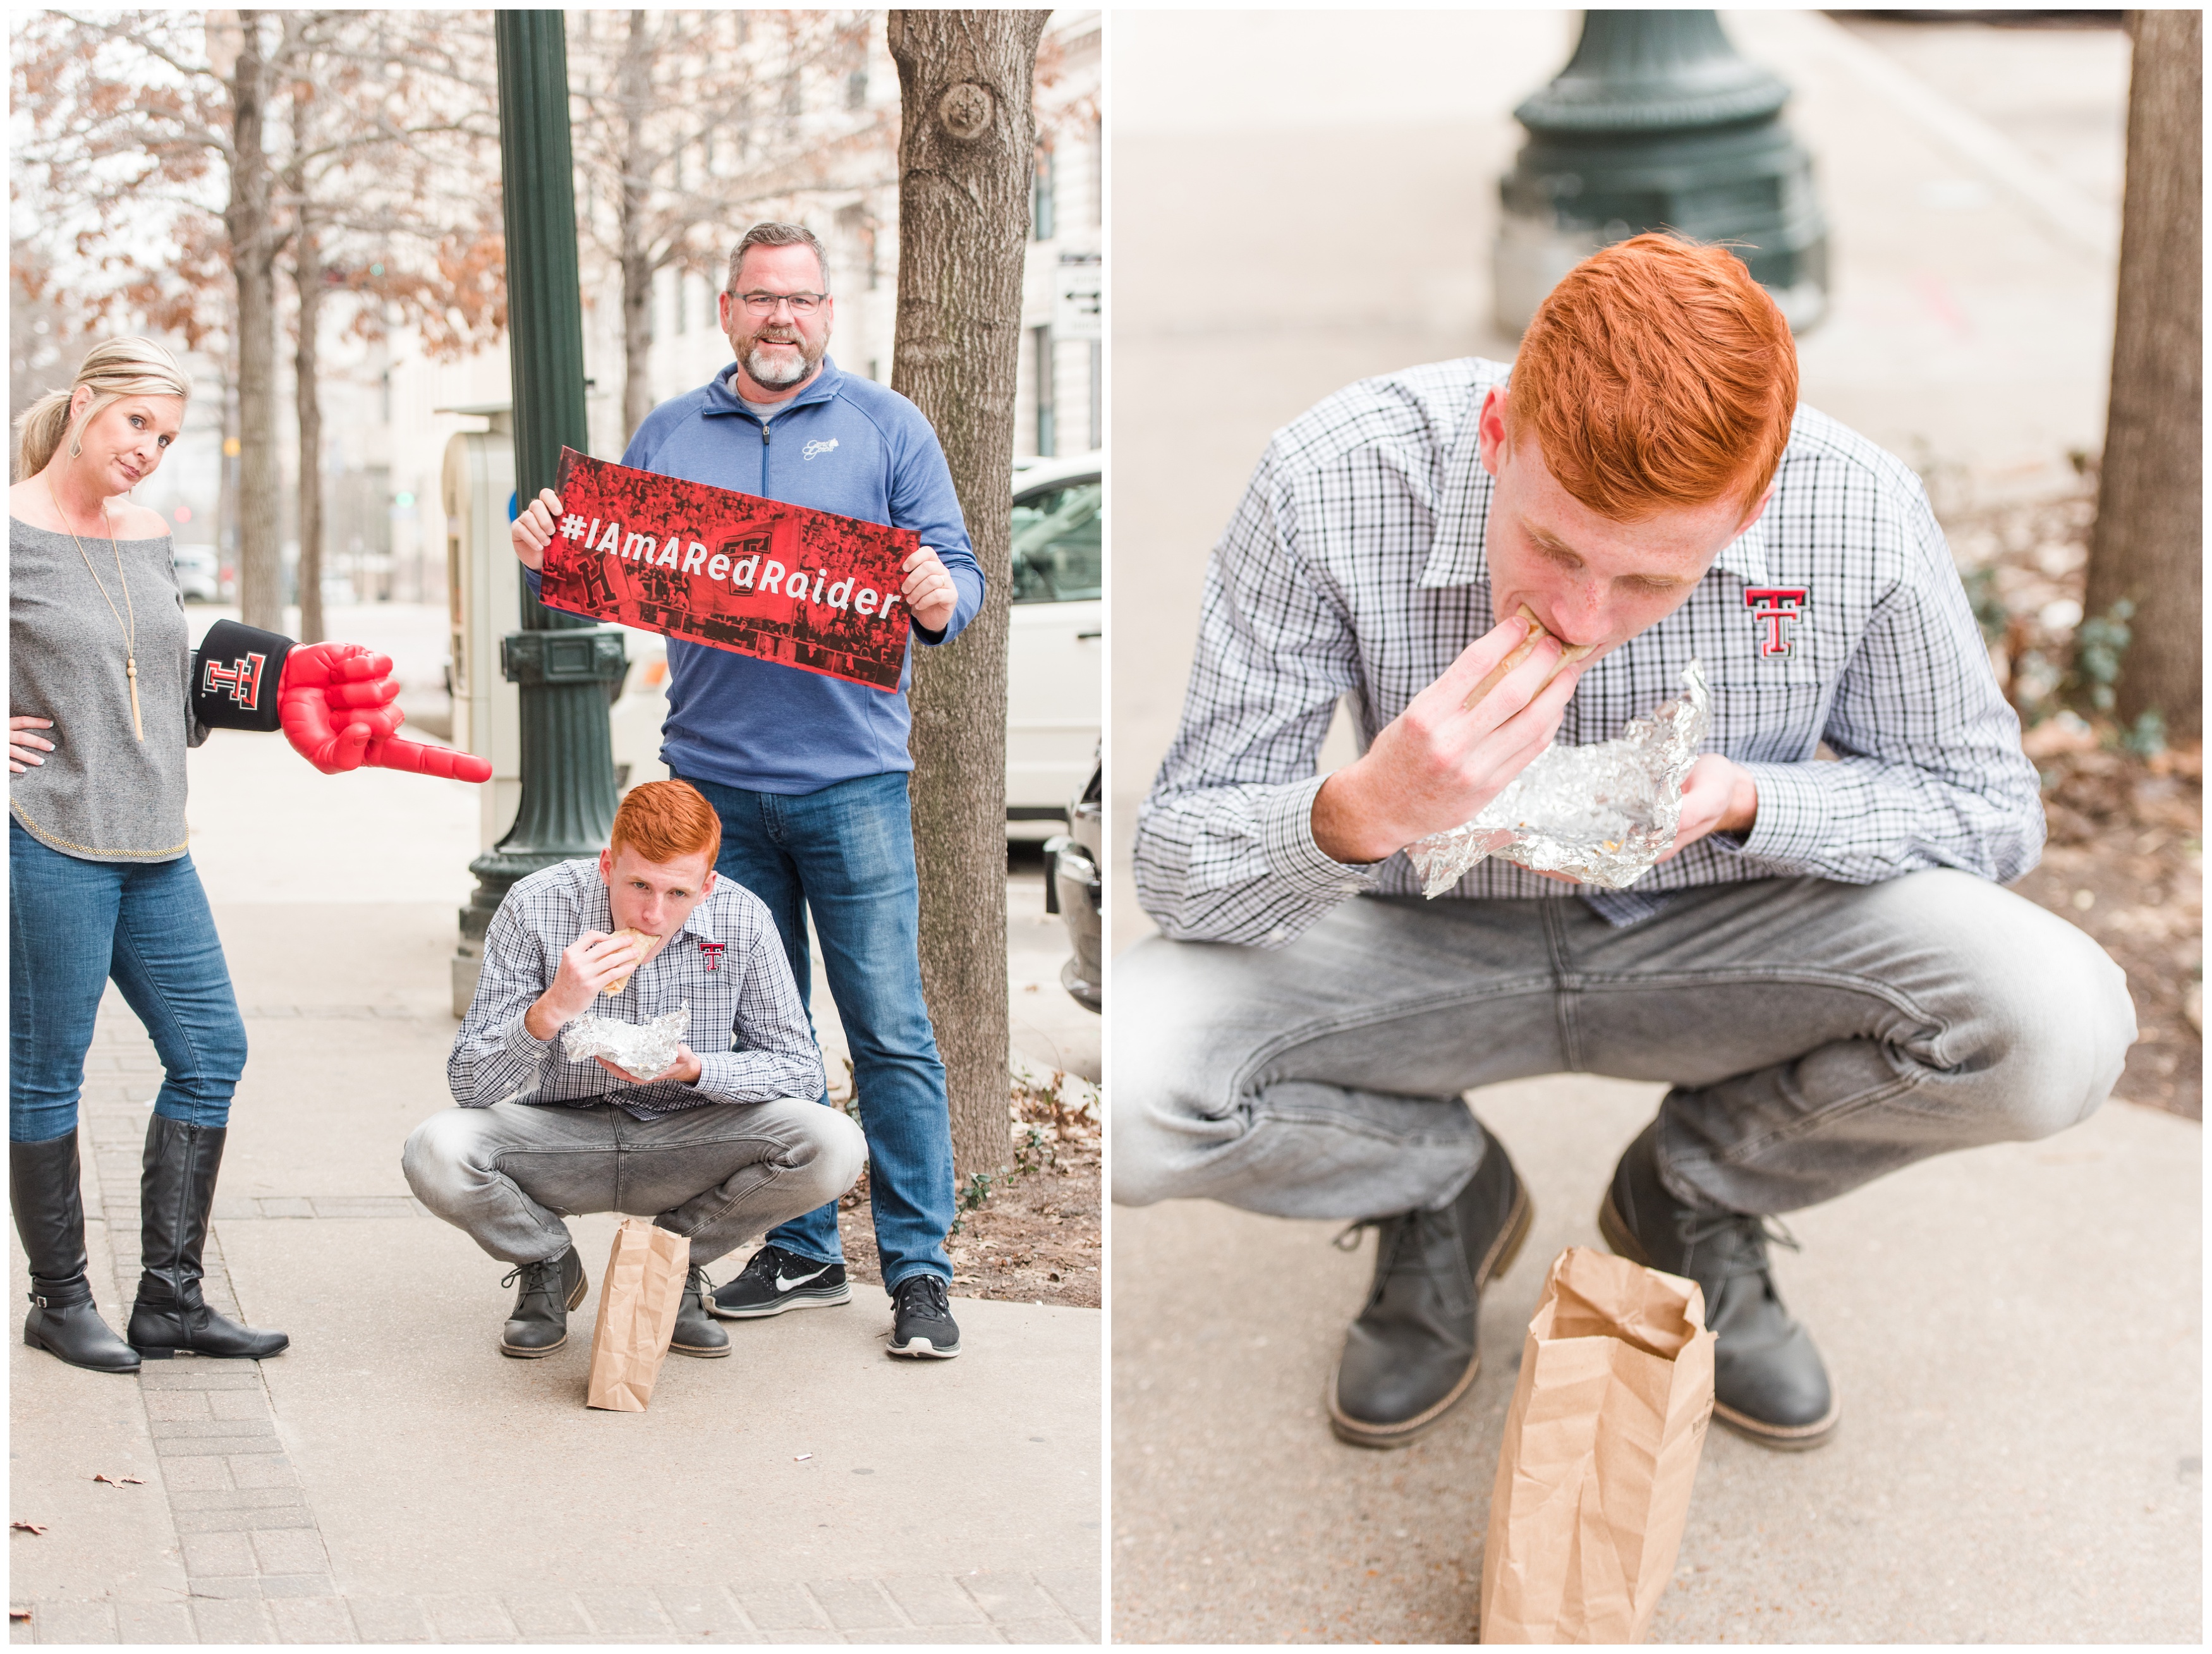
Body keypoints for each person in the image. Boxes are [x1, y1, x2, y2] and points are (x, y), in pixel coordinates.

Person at [1115, 234, 2135, 1452]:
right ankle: (1434, 1185)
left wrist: (1752, 801)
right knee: (1130, 1085)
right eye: (1552, 545)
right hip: (1411, 940)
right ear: (1500, 433)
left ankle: (1695, 1192)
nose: (1581, 615)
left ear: (1749, 509)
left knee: (2059, 1023)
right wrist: (1365, 808)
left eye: (1653, 578)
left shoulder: (1851, 506)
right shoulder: (1333, 478)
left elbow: (1988, 809)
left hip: (1725, 931)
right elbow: (1179, 863)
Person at [509, 221, 982, 1360]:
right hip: (712, 791)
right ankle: (804, 1249)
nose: (784, 318)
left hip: (854, 783)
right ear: (727, 310)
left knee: (892, 1032)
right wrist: (546, 553)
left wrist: (929, 587)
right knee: (761, 1031)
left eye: (804, 300)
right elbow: (607, 584)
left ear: (829, 313)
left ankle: (921, 1275)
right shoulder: (672, 432)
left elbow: (960, 590)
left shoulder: (888, 427)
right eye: (763, 299)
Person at [10, 336, 491, 1376]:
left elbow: (173, 681)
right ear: (88, 403)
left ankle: (169, 1302)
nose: (151, 449)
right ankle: (60, 1302)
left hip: (157, 841)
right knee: (50, 1070)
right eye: (138, 422)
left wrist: (285, 684)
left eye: (170, 436)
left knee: (211, 1048)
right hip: (52, 837)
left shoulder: (143, 534)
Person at [405, 779, 866, 1360]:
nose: (653, 913)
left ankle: (669, 1264)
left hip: (688, 1140)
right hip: (559, 1138)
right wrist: (554, 1007)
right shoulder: (536, 904)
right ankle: (546, 1259)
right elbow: (469, 1083)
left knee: (836, 1144)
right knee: (434, 1150)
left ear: (707, 888)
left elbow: (800, 1071)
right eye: (639, 884)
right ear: (607, 865)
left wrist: (697, 1069)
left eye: (678, 893)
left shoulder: (743, 920)